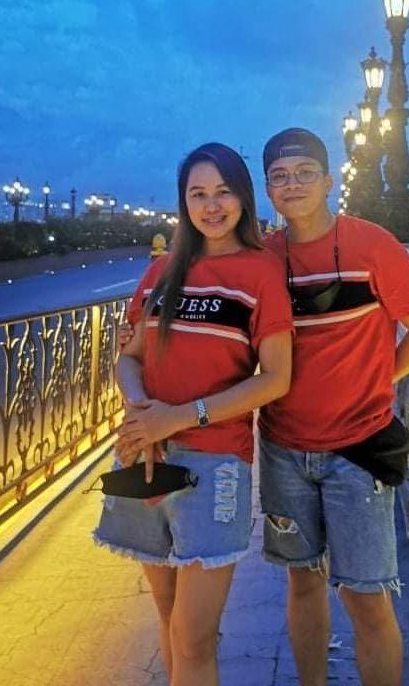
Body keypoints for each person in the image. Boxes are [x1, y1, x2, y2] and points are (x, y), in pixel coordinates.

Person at [93, 142, 293, 686]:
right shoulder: (162, 271)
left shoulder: (261, 271)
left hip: (216, 462)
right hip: (146, 452)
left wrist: (177, 417)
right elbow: (129, 359)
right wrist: (143, 415)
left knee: (194, 636)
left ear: (243, 198)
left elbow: (275, 378)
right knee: (167, 616)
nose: (211, 205)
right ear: (183, 202)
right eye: (198, 194)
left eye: (223, 192)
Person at [259, 127, 409, 686]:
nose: (293, 184)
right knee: (303, 582)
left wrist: (376, 379)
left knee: (367, 596)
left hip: (358, 452)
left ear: (328, 180)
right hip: (283, 450)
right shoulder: (263, 259)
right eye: (279, 176)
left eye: (305, 173)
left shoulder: (372, 246)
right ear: (268, 190)